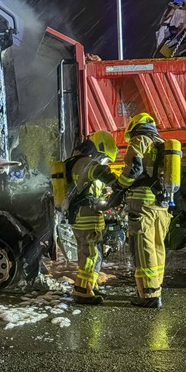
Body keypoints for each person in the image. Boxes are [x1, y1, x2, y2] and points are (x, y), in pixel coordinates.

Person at [107, 112, 171, 309]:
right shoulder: (163, 144)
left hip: (143, 204)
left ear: (134, 127)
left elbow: (134, 169)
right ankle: (155, 288)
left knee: (144, 247)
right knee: (158, 247)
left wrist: (119, 187)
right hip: (162, 204)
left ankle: (149, 295)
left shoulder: (140, 140)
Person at [66, 130, 118, 304]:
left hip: (79, 216)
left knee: (88, 253)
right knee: (90, 255)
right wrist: (121, 185)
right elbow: (103, 173)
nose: (105, 162)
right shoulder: (88, 163)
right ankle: (82, 292)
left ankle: (89, 286)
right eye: (105, 159)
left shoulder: (74, 162)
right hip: (88, 217)